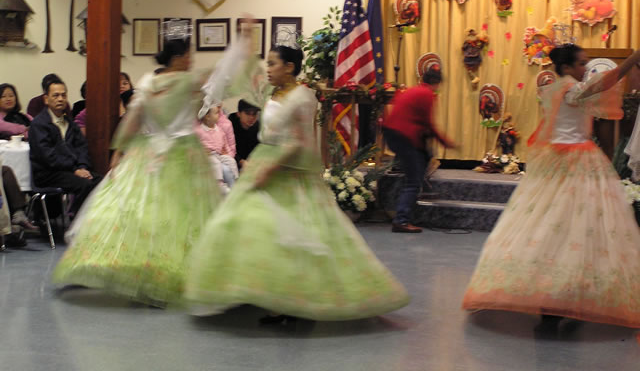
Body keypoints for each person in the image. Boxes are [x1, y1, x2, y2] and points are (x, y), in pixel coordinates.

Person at [185, 44, 409, 322]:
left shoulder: (302, 97)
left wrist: (270, 168)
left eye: (273, 63)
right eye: (267, 63)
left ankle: (294, 302)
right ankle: (260, 292)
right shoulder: (274, 92)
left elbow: (299, 141)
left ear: (289, 67)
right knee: (253, 227)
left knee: (294, 234)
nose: (268, 69)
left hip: (288, 171)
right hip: (264, 162)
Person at [462, 44, 640, 330]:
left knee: (555, 225)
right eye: (581, 63)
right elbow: (605, 82)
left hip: (558, 160)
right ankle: (557, 302)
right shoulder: (571, 89)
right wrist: (632, 60)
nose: (585, 68)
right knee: (570, 227)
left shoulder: (554, 89)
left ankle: (562, 298)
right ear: (566, 67)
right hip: (575, 161)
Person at [52, 39, 222, 307]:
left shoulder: (147, 83)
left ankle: (147, 274)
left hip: (149, 152)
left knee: (146, 212)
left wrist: (119, 150)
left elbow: (133, 119)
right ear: (177, 57)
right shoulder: (189, 82)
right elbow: (219, 78)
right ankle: (169, 278)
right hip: (182, 154)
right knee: (178, 216)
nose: (191, 59)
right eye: (188, 54)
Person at [381, 67, 455, 233]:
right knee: (413, 181)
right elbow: (428, 123)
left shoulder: (411, 90)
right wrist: (445, 142)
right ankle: (401, 220)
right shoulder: (427, 94)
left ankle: (421, 188)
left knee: (424, 158)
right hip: (405, 136)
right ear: (436, 83)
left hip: (392, 133)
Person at [28, 78, 101, 218]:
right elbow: (47, 156)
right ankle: (77, 222)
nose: (60, 99)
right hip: (48, 173)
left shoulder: (69, 123)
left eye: (63, 95)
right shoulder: (39, 124)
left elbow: (82, 147)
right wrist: (74, 169)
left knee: (101, 181)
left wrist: (83, 167)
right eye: (56, 95)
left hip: (70, 170)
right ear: (46, 99)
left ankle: (92, 221)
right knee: (84, 185)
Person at [195, 105, 239, 193]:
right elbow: (196, 145)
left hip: (220, 154)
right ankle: (219, 184)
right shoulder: (199, 131)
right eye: (216, 113)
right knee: (216, 163)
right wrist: (202, 151)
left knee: (231, 161)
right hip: (209, 156)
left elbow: (225, 143)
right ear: (207, 116)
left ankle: (236, 181)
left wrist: (228, 154)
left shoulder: (219, 129)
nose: (219, 114)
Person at [228, 99, 260, 170]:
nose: (251, 117)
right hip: (233, 163)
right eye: (247, 113)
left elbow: (258, 147)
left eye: (254, 114)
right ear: (238, 114)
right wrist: (240, 161)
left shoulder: (257, 126)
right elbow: (227, 148)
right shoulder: (230, 126)